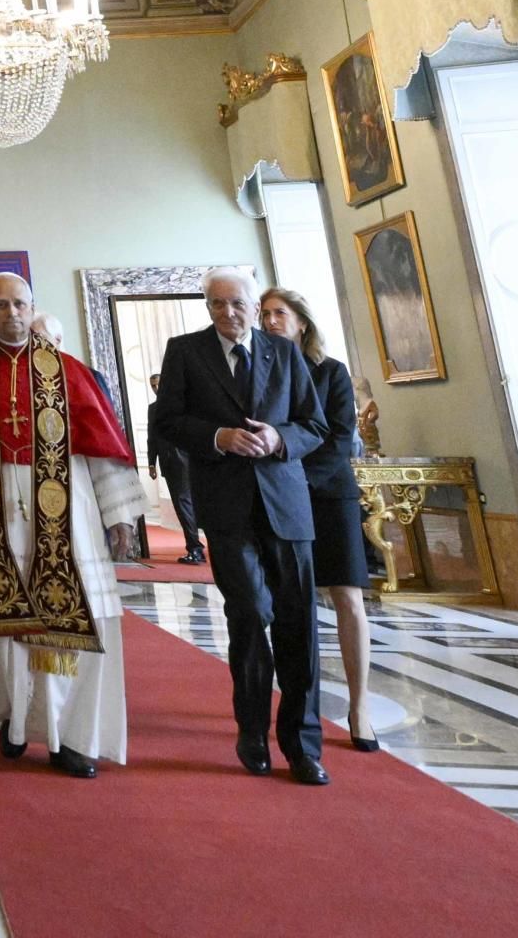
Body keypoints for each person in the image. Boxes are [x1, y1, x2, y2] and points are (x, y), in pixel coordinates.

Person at [0, 274, 142, 776]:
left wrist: (118, 514)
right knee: (7, 627)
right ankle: (15, 719)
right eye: (1, 305)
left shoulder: (67, 370)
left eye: (19, 304)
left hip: (69, 514)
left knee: (69, 622)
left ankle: (69, 737)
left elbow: (101, 445)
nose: (12, 314)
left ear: (32, 306)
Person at [152, 268, 331, 785]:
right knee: (250, 615)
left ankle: (302, 745)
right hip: (227, 509)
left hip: (285, 507)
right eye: (217, 303)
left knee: (298, 625)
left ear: (255, 306)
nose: (227, 313)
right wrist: (218, 437)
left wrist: (279, 439)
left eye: (236, 303)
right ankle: (252, 731)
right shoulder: (186, 351)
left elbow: (315, 425)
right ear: (207, 306)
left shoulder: (285, 353)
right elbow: (168, 421)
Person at [262, 288, 379, 752]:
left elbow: (339, 437)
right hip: (279, 497)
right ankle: (296, 700)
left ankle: (360, 706)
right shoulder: (259, 372)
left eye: (280, 313)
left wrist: (299, 482)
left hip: (328, 494)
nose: (271, 321)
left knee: (348, 597)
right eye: (265, 314)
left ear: (302, 323)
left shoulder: (331, 372)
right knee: (288, 600)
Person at [147, 373, 206, 565]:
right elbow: (152, 437)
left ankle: (196, 548)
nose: (156, 389)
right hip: (169, 462)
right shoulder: (153, 409)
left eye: (158, 384)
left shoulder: (184, 403)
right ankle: (195, 547)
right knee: (183, 504)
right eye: (153, 386)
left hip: (189, 460)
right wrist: (151, 462)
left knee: (186, 503)